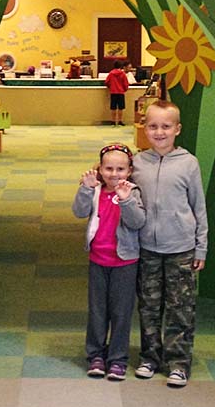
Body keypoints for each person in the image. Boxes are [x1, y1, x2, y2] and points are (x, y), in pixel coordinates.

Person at [130, 100, 207, 388]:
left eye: (165, 126)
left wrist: (201, 247)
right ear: (144, 127)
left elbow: (199, 207)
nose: (159, 132)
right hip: (146, 249)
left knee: (181, 307)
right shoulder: (137, 163)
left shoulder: (189, 163)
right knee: (149, 306)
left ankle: (178, 362)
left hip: (181, 249)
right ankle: (150, 357)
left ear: (177, 129)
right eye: (153, 126)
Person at [72, 143, 146, 381]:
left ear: (129, 170)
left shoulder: (132, 192)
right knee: (97, 310)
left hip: (125, 262)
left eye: (120, 169)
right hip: (98, 260)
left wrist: (125, 200)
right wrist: (85, 189)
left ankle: (117, 358)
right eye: (109, 169)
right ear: (100, 169)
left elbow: (137, 222)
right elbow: (79, 211)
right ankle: (95, 354)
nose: (115, 174)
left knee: (121, 312)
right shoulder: (95, 191)